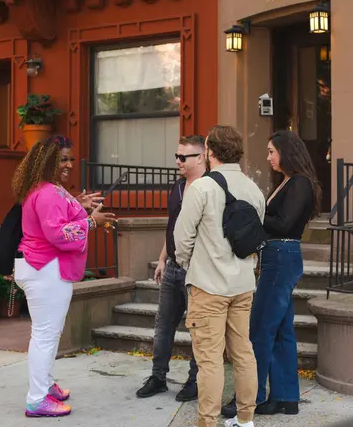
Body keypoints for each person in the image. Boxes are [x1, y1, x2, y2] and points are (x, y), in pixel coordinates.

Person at [11, 135, 115, 418]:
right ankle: (37, 399)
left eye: (70, 159)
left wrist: (79, 205)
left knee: (48, 333)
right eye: (63, 160)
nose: (69, 164)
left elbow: (60, 219)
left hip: (41, 268)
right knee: (45, 335)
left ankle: (44, 385)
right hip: (46, 270)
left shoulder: (47, 188)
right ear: (48, 161)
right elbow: (58, 233)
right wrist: (92, 221)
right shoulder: (47, 192)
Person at [221, 130, 322, 418]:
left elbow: (285, 223)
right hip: (277, 257)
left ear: (286, 152)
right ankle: (286, 398)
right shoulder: (288, 181)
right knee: (280, 330)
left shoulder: (300, 183)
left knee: (260, 329)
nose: (268, 158)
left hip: (282, 257)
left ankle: (248, 398)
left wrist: (253, 213)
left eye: (271, 152)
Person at [174, 125, 266, 427]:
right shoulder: (254, 189)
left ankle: (208, 422)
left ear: (209, 151)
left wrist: (189, 264)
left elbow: (182, 239)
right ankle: (246, 419)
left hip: (208, 285)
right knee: (244, 354)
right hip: (242, 284)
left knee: (210, 361)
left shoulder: (202, 187)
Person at [136, 135, 207, 402]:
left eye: (183, 157)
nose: (177, 161)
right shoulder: (177, 187)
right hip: (173, 267)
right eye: (176, 156)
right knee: (163, 325)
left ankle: (195, 380)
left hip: (197, 270)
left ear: (200, 157)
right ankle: (158, 377)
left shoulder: (210, 187)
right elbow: (173, 225)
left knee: (197, 328)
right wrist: (162, 259)